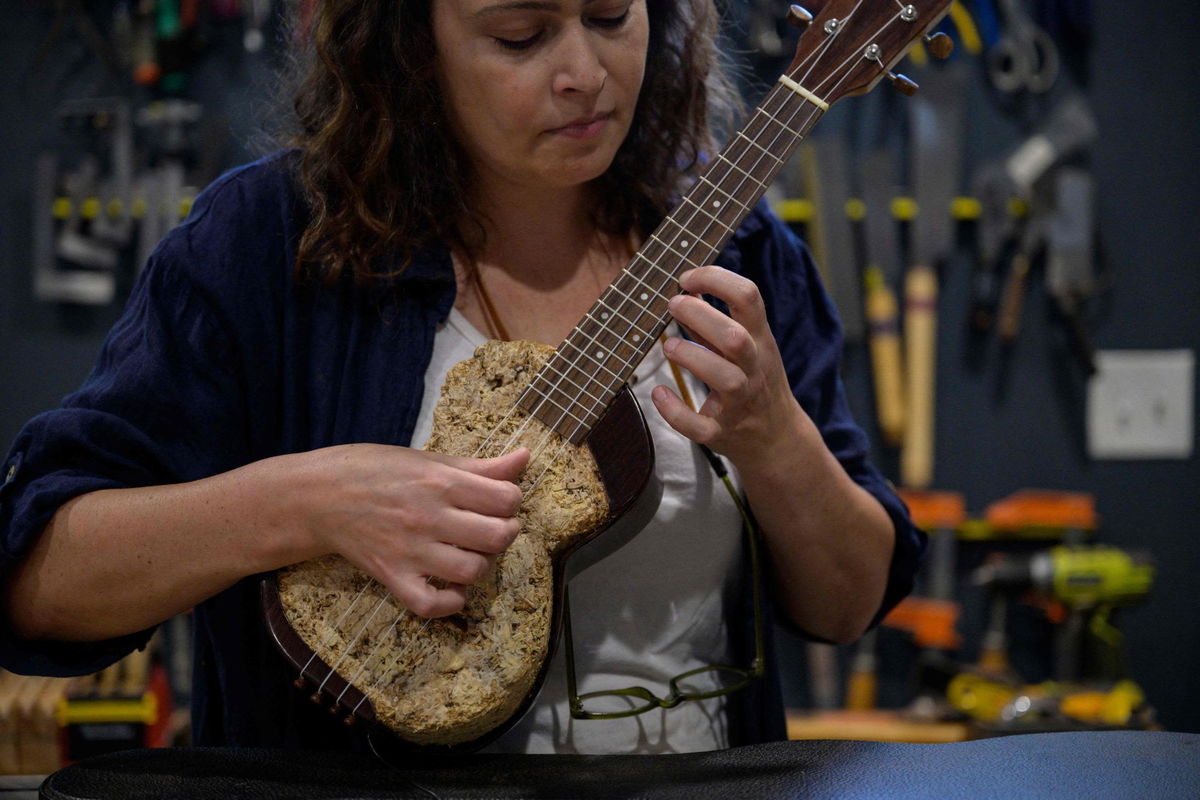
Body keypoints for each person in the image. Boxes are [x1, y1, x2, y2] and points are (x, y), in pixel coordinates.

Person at [0, 0, 924, 754]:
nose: (584, 73)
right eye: (520, 36)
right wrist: (303, 503)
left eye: (611, 17)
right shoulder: (265, 244)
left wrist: (776, 437)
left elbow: (848, 605)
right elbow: (40, 582)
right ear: (409, 47)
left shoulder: (743, 250)